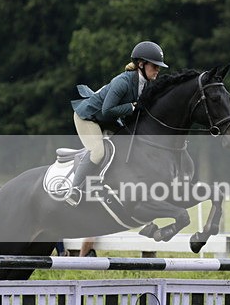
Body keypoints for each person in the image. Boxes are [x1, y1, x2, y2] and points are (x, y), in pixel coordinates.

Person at [68, 41, 168, 204]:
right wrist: (131, 107)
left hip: (108, 118)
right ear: (141, 64)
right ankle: (75, 188)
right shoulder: (122, 82)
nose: (158, 69)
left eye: (159, 66)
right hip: (88, 117)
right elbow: (108, 110)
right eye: (154, 65)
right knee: (98, 152)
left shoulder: (146, 83)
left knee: (130, 142)